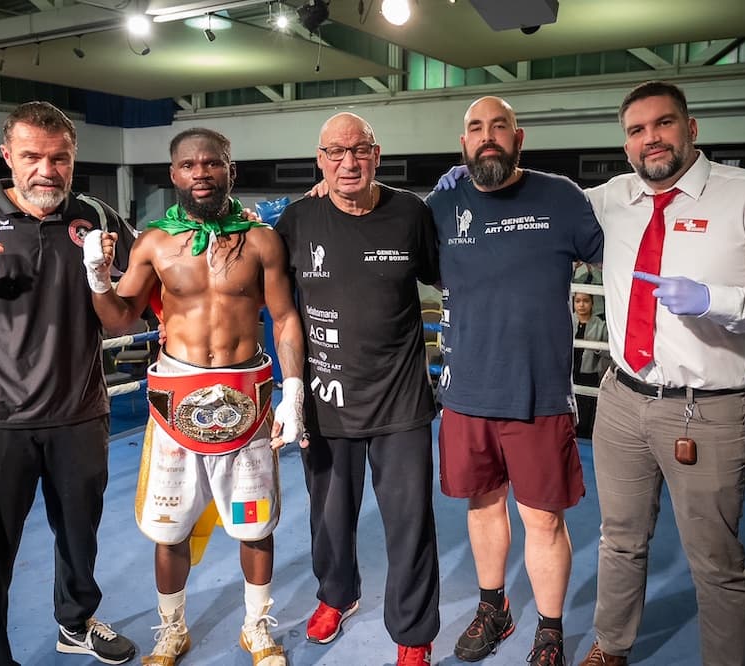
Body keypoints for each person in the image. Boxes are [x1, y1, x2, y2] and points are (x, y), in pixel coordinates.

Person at [578, 80, 745, 666]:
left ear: (691, 128)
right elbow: (535, 205)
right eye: (637, 130)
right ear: (626, 144)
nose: (650, 139)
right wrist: (470, 182)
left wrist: (716, 299)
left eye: (663, 123)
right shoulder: (612, 198)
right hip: (621, 398)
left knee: (715, 562)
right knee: (619, 539)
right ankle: (611, 646)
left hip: (705, 410)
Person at [0, 101, 137, 666]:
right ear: (8, 156)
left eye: (60, 158)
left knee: (80, 537)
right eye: (33, 156)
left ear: (73, 158)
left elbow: (127, 313)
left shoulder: (97, 216)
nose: (47, 170)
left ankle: (76, 625)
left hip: (79, 411)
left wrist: (102, 276)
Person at [84, 127, 307, 666]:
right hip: (175, 402)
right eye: (189, 165)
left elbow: (283, 318)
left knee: (255, 524)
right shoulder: (153, 243)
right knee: (170, 528)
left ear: (231, 168)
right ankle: (172, 630)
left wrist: (294, 391)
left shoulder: (261, 241)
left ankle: (256, 627)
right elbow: (119, 321)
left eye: (212, 163)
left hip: (246, 399)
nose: (201, 173)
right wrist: (97, 277)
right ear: (174, 174)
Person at [426, 95, 604, 666]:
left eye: (498, 126)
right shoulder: (442, 202)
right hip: (466, 391)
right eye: (476, 128)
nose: (488, 136)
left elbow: (622, 259)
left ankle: (549, 631)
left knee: (544, 518)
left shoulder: (560, 197)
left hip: (538, 394)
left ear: (518, 137)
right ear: (463, 144)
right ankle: (494, 607)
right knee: (482, 507)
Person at [278, 112, 441, 666]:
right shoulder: (297, 220)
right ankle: (336, 596)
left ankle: (413, 633)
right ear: (320, 160)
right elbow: (272, 302)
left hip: (401, 399)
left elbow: (451, 275)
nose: (349, 162)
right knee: (328, 519)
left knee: (411, 523)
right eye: (336, 152)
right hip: (327, 398)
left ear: (376, 154)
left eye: (360, 150)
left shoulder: (411, 213)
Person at [572, 291, 610, 439]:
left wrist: (596, 347)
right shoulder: (567, 320)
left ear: (592, 303)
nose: (581, 305)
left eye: (586, 301)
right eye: (578, 301)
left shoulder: (601, 325)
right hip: (568, 373)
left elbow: (609, 353)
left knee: (586, 413)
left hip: (589, 374)